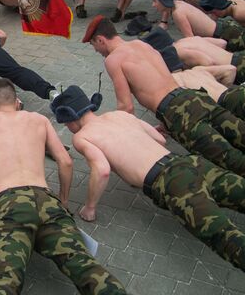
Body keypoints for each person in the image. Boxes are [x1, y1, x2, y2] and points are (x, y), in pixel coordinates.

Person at [0, 78, 127, 294]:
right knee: (86, 267)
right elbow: (65, 162)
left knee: (7, 280)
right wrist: (63, 201)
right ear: (17, 102)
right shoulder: (39, 119)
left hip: (10, 205)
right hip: (47, 201)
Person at [52, 85, 245, 270]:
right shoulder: (119, 115)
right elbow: (159, 139)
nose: (67, 127)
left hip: (172, 183)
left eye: (65, 123)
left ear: (71, 118)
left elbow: (102, 170)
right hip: (190, 163)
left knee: (227, 239)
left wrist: (90, 208)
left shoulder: (82, 137)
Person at [83, 15, 245, 176]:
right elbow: (164, 80)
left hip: (177, 113)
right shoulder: (141, 44)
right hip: (191, 95)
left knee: (231, 160)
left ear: (100, 39)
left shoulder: (113, 60)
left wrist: (127, 138)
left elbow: (126, 106)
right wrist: (164, 121)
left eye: (93, 45)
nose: (96, 50)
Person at [148, 0, 217, 37]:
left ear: (163, 0)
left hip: (218, 35)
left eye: (155, 1)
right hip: (217, 30)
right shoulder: (178, 3)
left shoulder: (177, 13)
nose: (153, 5)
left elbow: (191, 39)